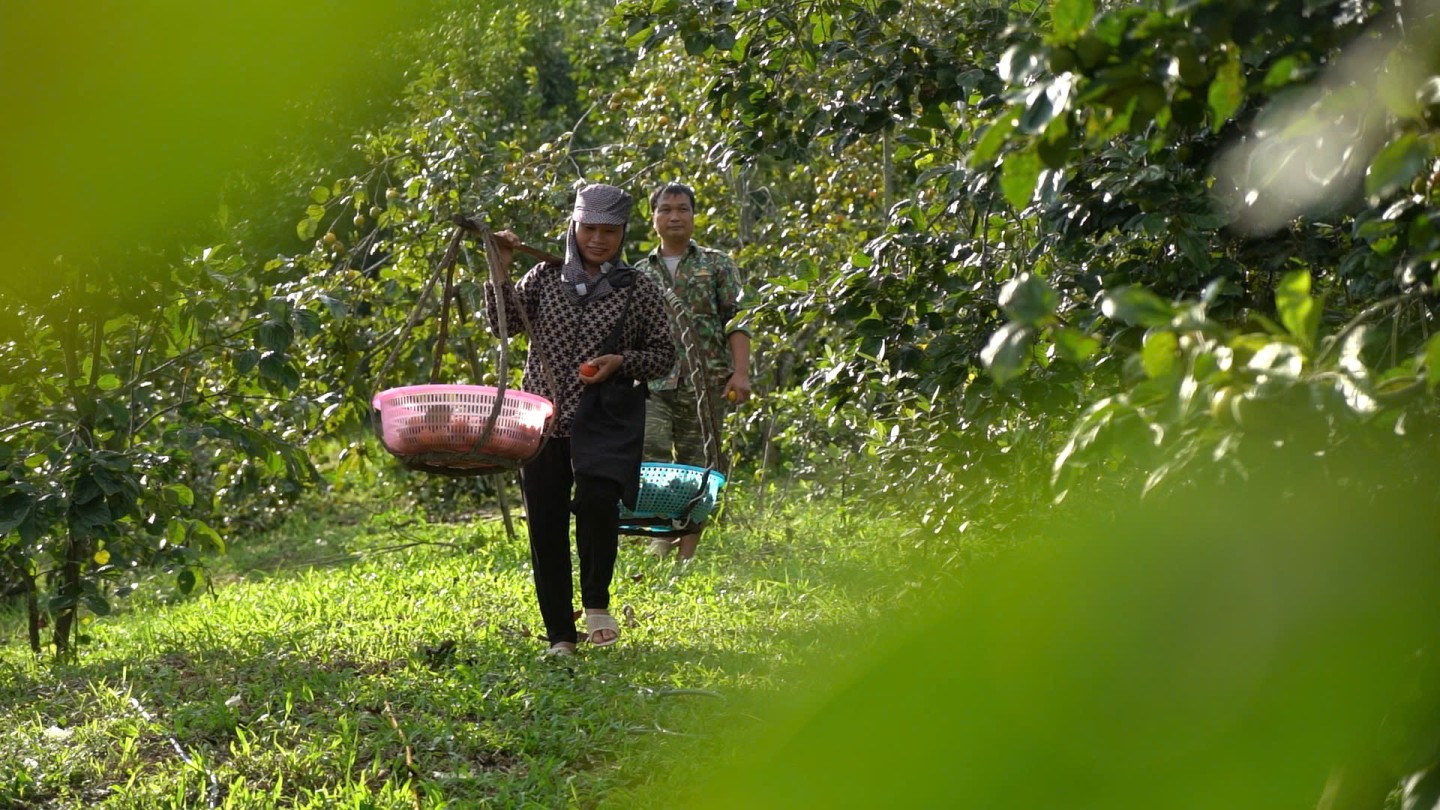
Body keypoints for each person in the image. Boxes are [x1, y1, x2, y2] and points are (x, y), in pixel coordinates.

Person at [485, 183, 674, 657]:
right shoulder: (544, 278)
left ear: (623, 233)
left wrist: (619, 362)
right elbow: (503, 325)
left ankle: (595, 603)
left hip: (604, 422)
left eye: (609, 231)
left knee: (597, 503)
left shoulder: (638, 288)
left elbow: (663, 355)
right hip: (542, 422)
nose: (598, 239)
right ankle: (560, 636)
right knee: (545, 525)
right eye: (589, 228)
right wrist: (500, 270)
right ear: (574, 226)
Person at [633, 182, 752, 561]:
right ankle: (660, 536)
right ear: (653, 218)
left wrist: (741, 372)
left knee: (698, 465)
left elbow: (737, 320)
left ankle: (687, 553)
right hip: (653, 382)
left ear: (693, 215)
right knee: (649, 457)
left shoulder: (717, 264)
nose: (674, 217)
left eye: (682, 209)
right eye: (665, 209)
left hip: (707, 382)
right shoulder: (638, 273)